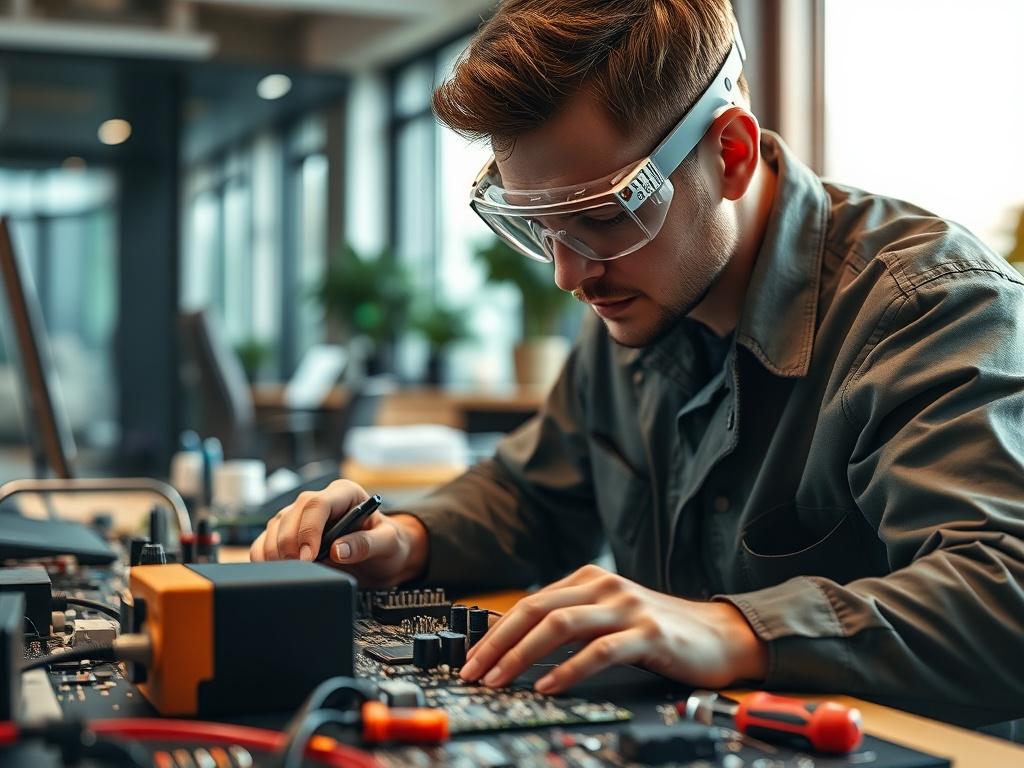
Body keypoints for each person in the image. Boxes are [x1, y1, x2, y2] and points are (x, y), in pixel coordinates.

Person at [251, 0, 1024, 728]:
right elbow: (533, 494)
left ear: (729, 153)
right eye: (538, 225)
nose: (568, 274)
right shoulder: (632, 295)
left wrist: (730, 631)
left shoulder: (928, 307)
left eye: (599, 216)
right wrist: (406, 540)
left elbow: (1004, 594)